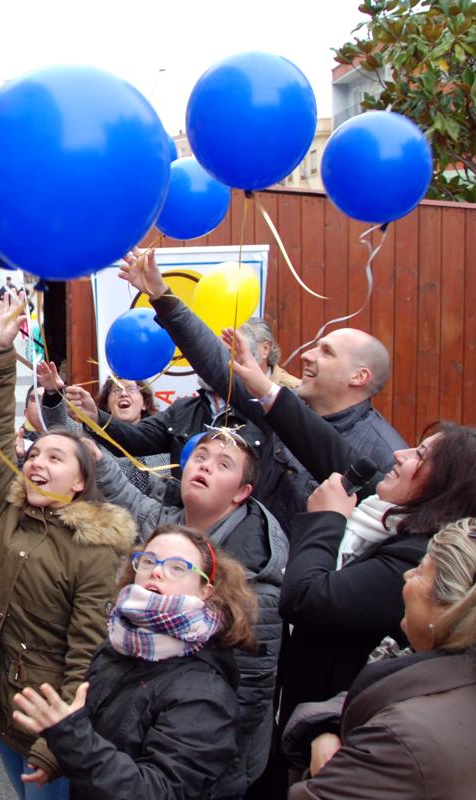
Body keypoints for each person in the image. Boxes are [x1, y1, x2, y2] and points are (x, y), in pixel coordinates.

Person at [217, 329, 476, 733]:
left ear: (445, 487)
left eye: (419, 456)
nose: (400, 453)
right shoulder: (390, 512)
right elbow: (323, 447)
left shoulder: (415, 555)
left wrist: (326, 521)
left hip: (332, 730)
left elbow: (306, 600)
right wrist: (265, 387)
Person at [0, 292, 137, 799]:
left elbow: (89, 654)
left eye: (55, 458)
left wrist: (53, 745)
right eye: (35, 452)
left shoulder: (96, 547)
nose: (37, 462)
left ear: (81, 482)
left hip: (50, 734)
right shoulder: (10, 505)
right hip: (1, 708)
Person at [115, 248, 405, 525]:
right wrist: (162, 295)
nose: (307, 355)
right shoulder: (281, 408)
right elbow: (215, 364)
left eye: (326, 352)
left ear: (359, 377)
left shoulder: (387, 455)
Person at [77, 422, 287, 790]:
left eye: (223, 464)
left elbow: (248, 699)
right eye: (200, 457)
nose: (204, 466)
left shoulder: (256, 584)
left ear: (242, 493)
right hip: (124, 753)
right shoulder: (169, 524)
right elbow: (124, 491)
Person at [11, 524, 258, 799]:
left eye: (178, 567)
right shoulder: (120, 640)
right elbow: (95, 718)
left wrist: (72, 739)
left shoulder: (205, 694)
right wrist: (58, 754)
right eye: (148, 561)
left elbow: (158, 790)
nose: (157, 571)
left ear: (205, 590)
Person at [282, 519, 476, 798]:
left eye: (421, 572)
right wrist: (327, 726)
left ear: (450, 610)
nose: (407, 576)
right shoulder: (425, 667)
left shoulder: (402, 740)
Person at [239, 318, 300, 389]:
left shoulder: (294, 390)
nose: (233, 354)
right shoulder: (229, 384)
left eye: (242, 346)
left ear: (265, 349)